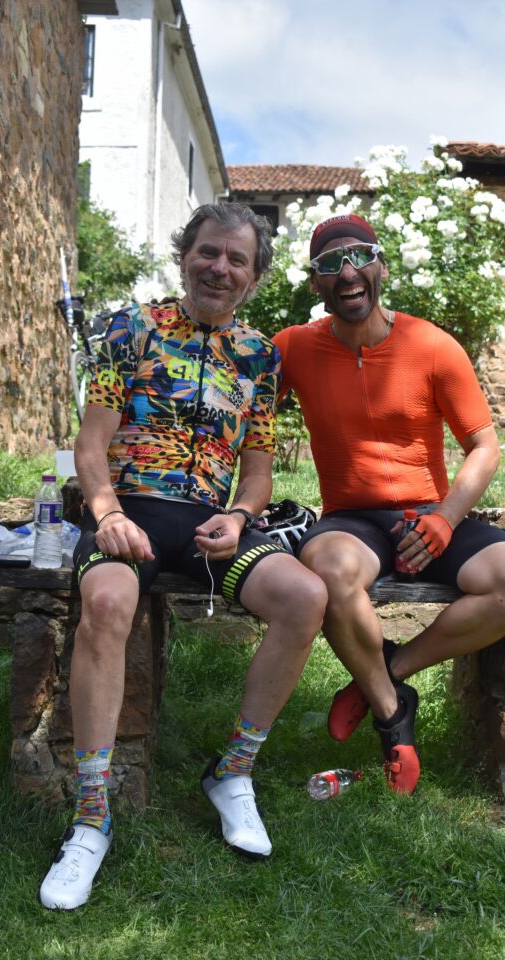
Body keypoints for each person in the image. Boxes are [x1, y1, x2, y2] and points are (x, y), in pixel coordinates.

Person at [40, 203, 327, 910]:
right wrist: (106, 513)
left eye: (236, 259)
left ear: (253, 277)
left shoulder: (260, 356)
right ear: (184, 256)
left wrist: (239, 516)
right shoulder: (130, 329)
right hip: (129, 511)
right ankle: (91, 815)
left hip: (209, 524)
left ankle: (232, 771)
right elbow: (90, 442)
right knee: (107, 602)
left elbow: (258, 472)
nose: (219, 268)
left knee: (305, 597)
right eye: (208, 252)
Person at [273, 213, 505, 796]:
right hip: (350, 520)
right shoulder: (293, 347)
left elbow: (484, 445)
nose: (347, 272)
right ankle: (394, 719)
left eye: (360, 256)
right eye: (330, 264)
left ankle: (384, 673)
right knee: (328, 570)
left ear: (382, 267)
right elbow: (241, 416)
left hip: (429, 514)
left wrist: (445, 519)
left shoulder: (432, 345)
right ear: (316, 282)